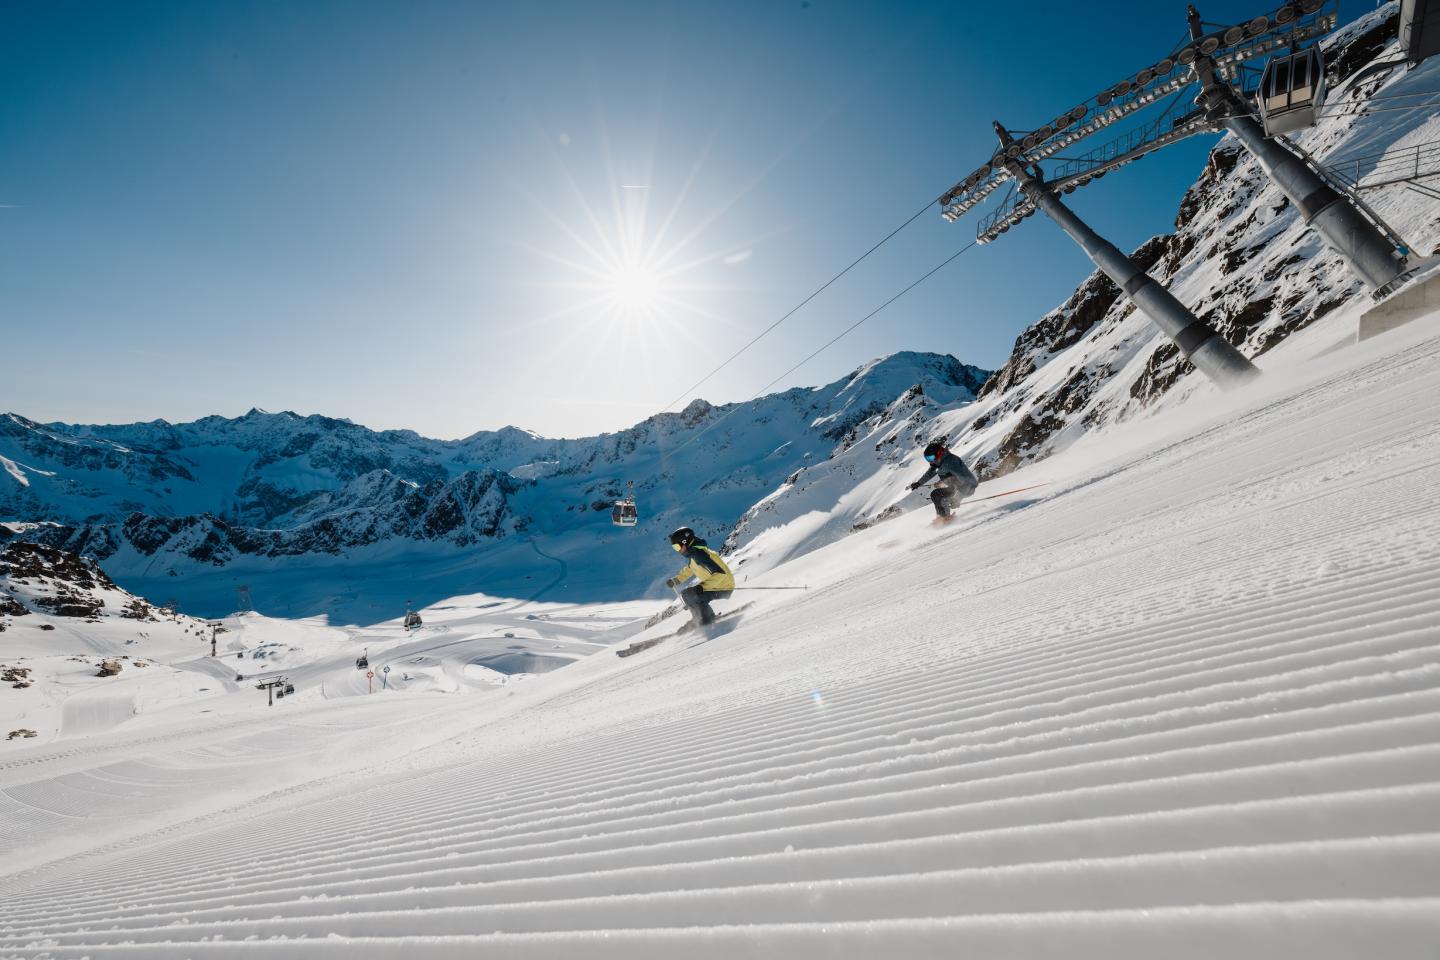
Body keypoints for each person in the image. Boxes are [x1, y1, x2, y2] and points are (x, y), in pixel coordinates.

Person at [665, 526, 735, 627]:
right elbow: (689, 569)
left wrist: (703, 586)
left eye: (677, 547)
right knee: (686, 594)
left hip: (724, 586)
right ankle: (698, 618)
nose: (678, 551)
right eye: (675, 548)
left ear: (685, 542)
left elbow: (720, 573)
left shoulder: (700, 554)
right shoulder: (694, 554)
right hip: (715, 585)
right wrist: (676, 580)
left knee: (694, 594)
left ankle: (706, 620)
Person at [908, 440, 978, 521]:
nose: (930, 461)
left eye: (931, 458)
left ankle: (945, 518)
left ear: (939, 453)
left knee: (939, 496)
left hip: (966, 488)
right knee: (936, 495)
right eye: (927, 458)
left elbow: (968, 481)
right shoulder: (938, 462)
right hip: (955, 488)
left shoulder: (951, 462)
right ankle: (942, 518)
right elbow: (930, 473)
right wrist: (919, 483)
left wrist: (957, 499)